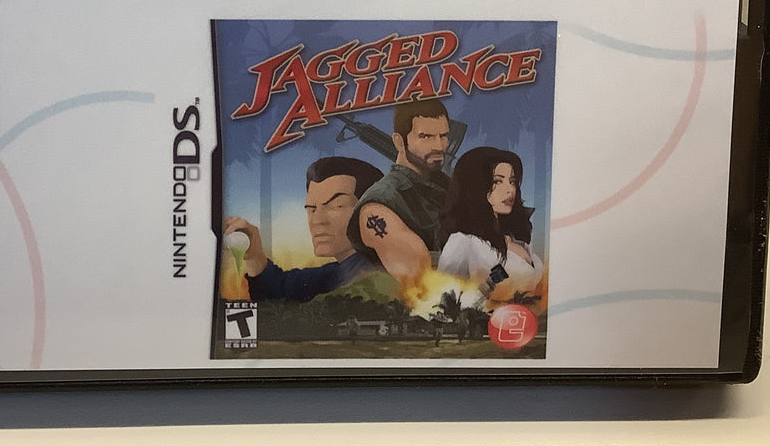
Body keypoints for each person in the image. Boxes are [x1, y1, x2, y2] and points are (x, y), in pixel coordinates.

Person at [223, 156, 382, 302]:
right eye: (311, 209)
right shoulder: (343, 270)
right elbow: (283, 289)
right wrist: (254, 256)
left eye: (336, 206)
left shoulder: (373, 275)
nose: (318, 220)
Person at [345, 97, 453, 287]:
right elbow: (418, 274)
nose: (438, 146)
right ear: (399, 142)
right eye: (425, 137)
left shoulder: (450, 187)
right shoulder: (379, 204)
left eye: (443, 136)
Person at [436, 146, 544, 302]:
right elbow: (443, 302)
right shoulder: (463, 241)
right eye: (497, 181)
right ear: (475, 186)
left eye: (512, 181)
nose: (510, 190)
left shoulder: (516, 239)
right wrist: (486, 287)